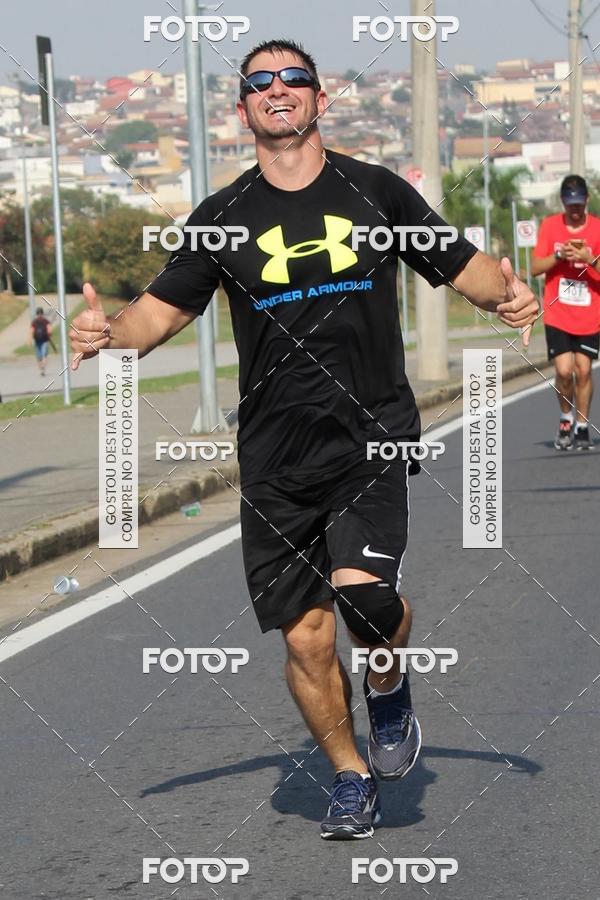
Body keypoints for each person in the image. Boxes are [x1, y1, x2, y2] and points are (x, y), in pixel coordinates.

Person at [69, 39, 538, 840]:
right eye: (260, 82)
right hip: (274, 456)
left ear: (321, 98)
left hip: (369, 436)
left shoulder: (375, 191)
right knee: (307, 637)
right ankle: (350, 776)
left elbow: (461, 263)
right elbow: (157, 315)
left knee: (363, 599)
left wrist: (509, 296)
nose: (277, 89)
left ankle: (387, 682)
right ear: (243, 109)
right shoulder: (221, 217)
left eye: (294, 78)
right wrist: (106, 333)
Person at [532, 174, 600, 451]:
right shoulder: (550, 226)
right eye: (570, 204)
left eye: (579, 203)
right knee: (563, 371)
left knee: (583, 371)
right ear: (563, 201)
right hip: (557, 313)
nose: (574, 209)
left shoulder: (597, 228)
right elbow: (535, 267)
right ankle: (565, 418)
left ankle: (582, 425)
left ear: (586, 200)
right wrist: (559, 256)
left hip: (589, 315)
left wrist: (589, 259)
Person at [29, 307, 52, 376]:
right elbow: (31, 331)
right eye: (39, 313)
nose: (39, 315)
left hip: (43, 341)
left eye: (40, 313)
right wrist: (30, 340)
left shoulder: (42, 321)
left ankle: (43, 369)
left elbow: (49, 329)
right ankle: (42, 369)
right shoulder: (38, 322)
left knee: (43, 355)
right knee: (40, 356)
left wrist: (49, 333)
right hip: (39, 341)